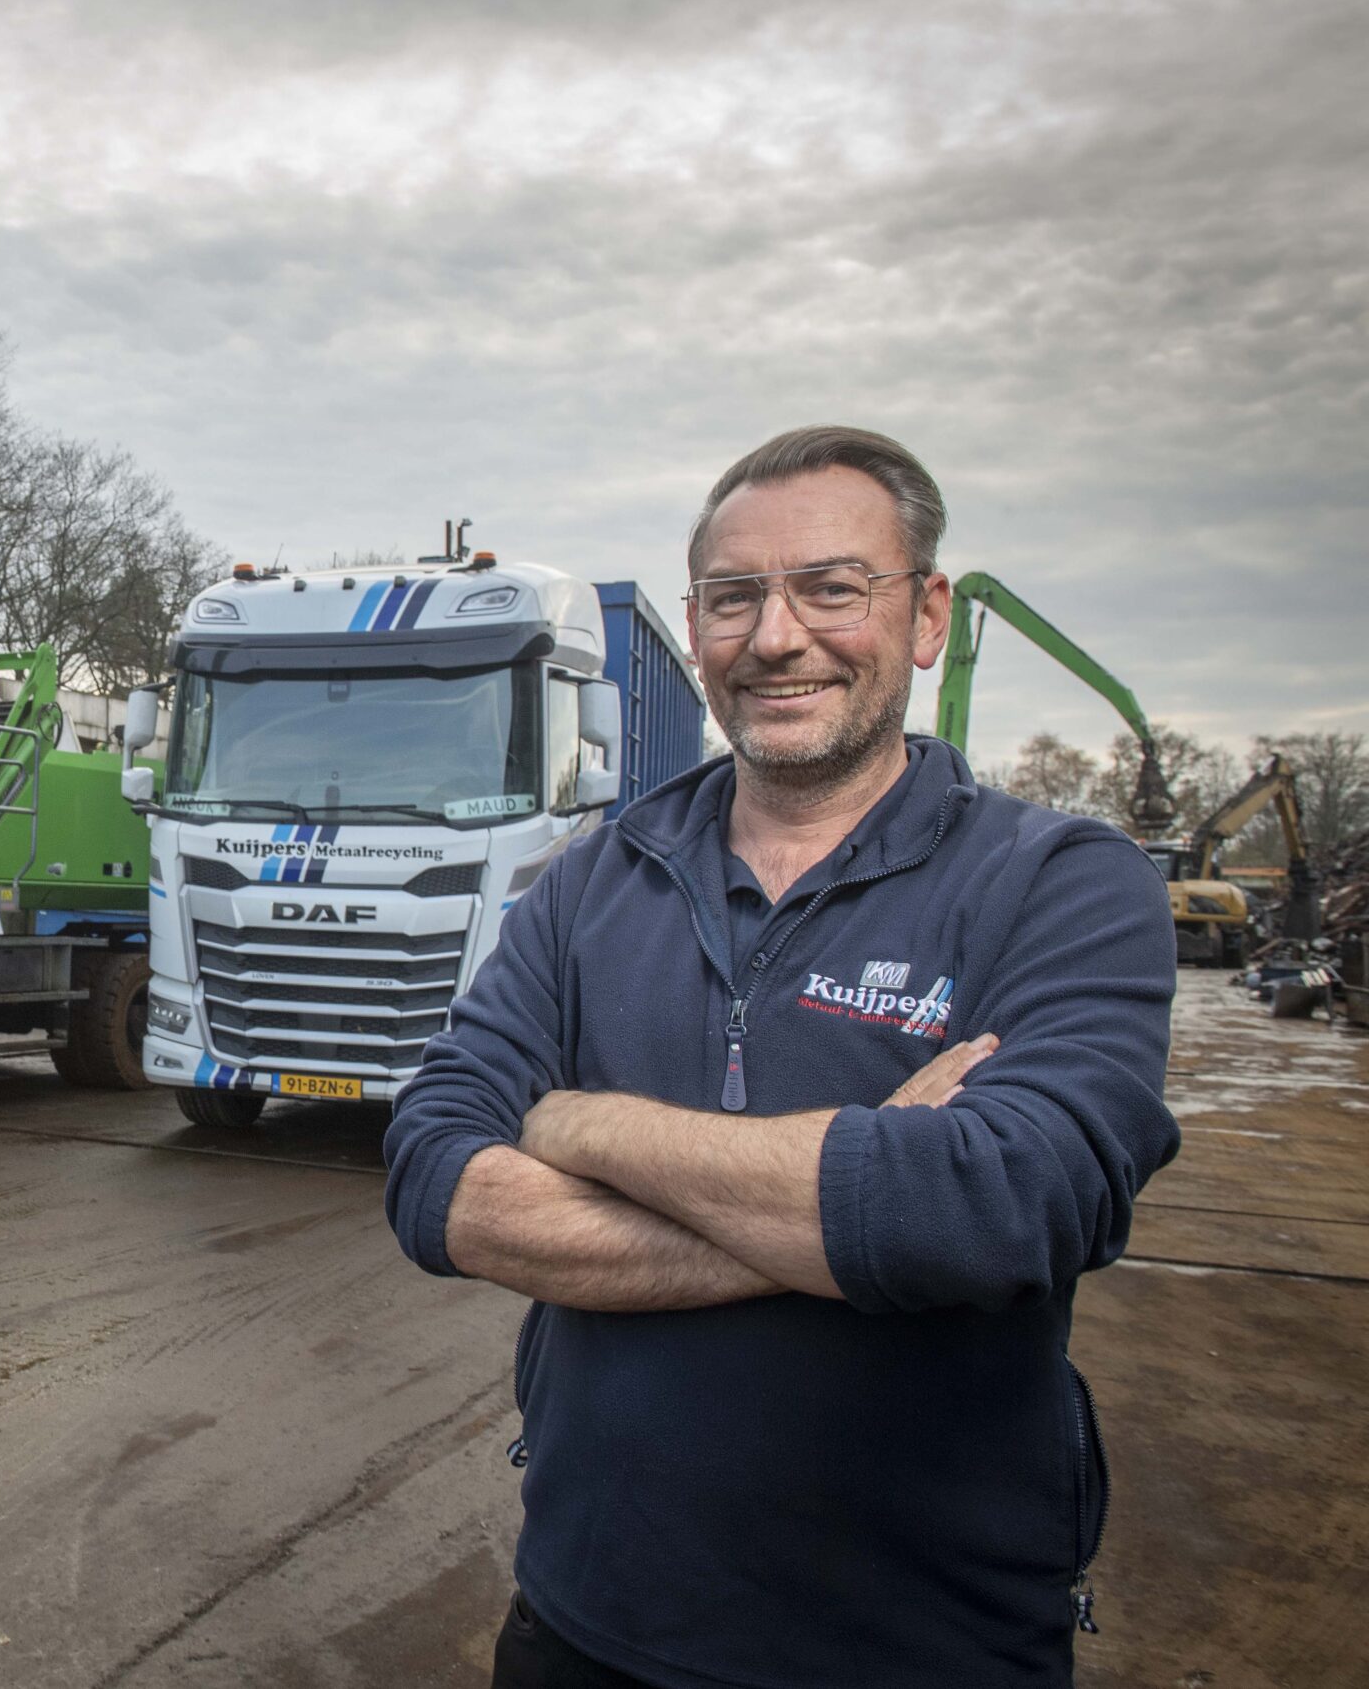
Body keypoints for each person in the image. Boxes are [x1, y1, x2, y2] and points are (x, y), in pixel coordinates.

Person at [382, 426, 1178, 1689]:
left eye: (830, 587)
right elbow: (433, 1179)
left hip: (925, 1648)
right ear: (695, 626)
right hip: (584, 1620)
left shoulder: (1061, 883)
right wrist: (858, 1204)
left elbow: (1001, 1207)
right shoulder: (595, 880)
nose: (775, 637)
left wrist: (578, 1127)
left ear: (923, 616)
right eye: (734, 597)